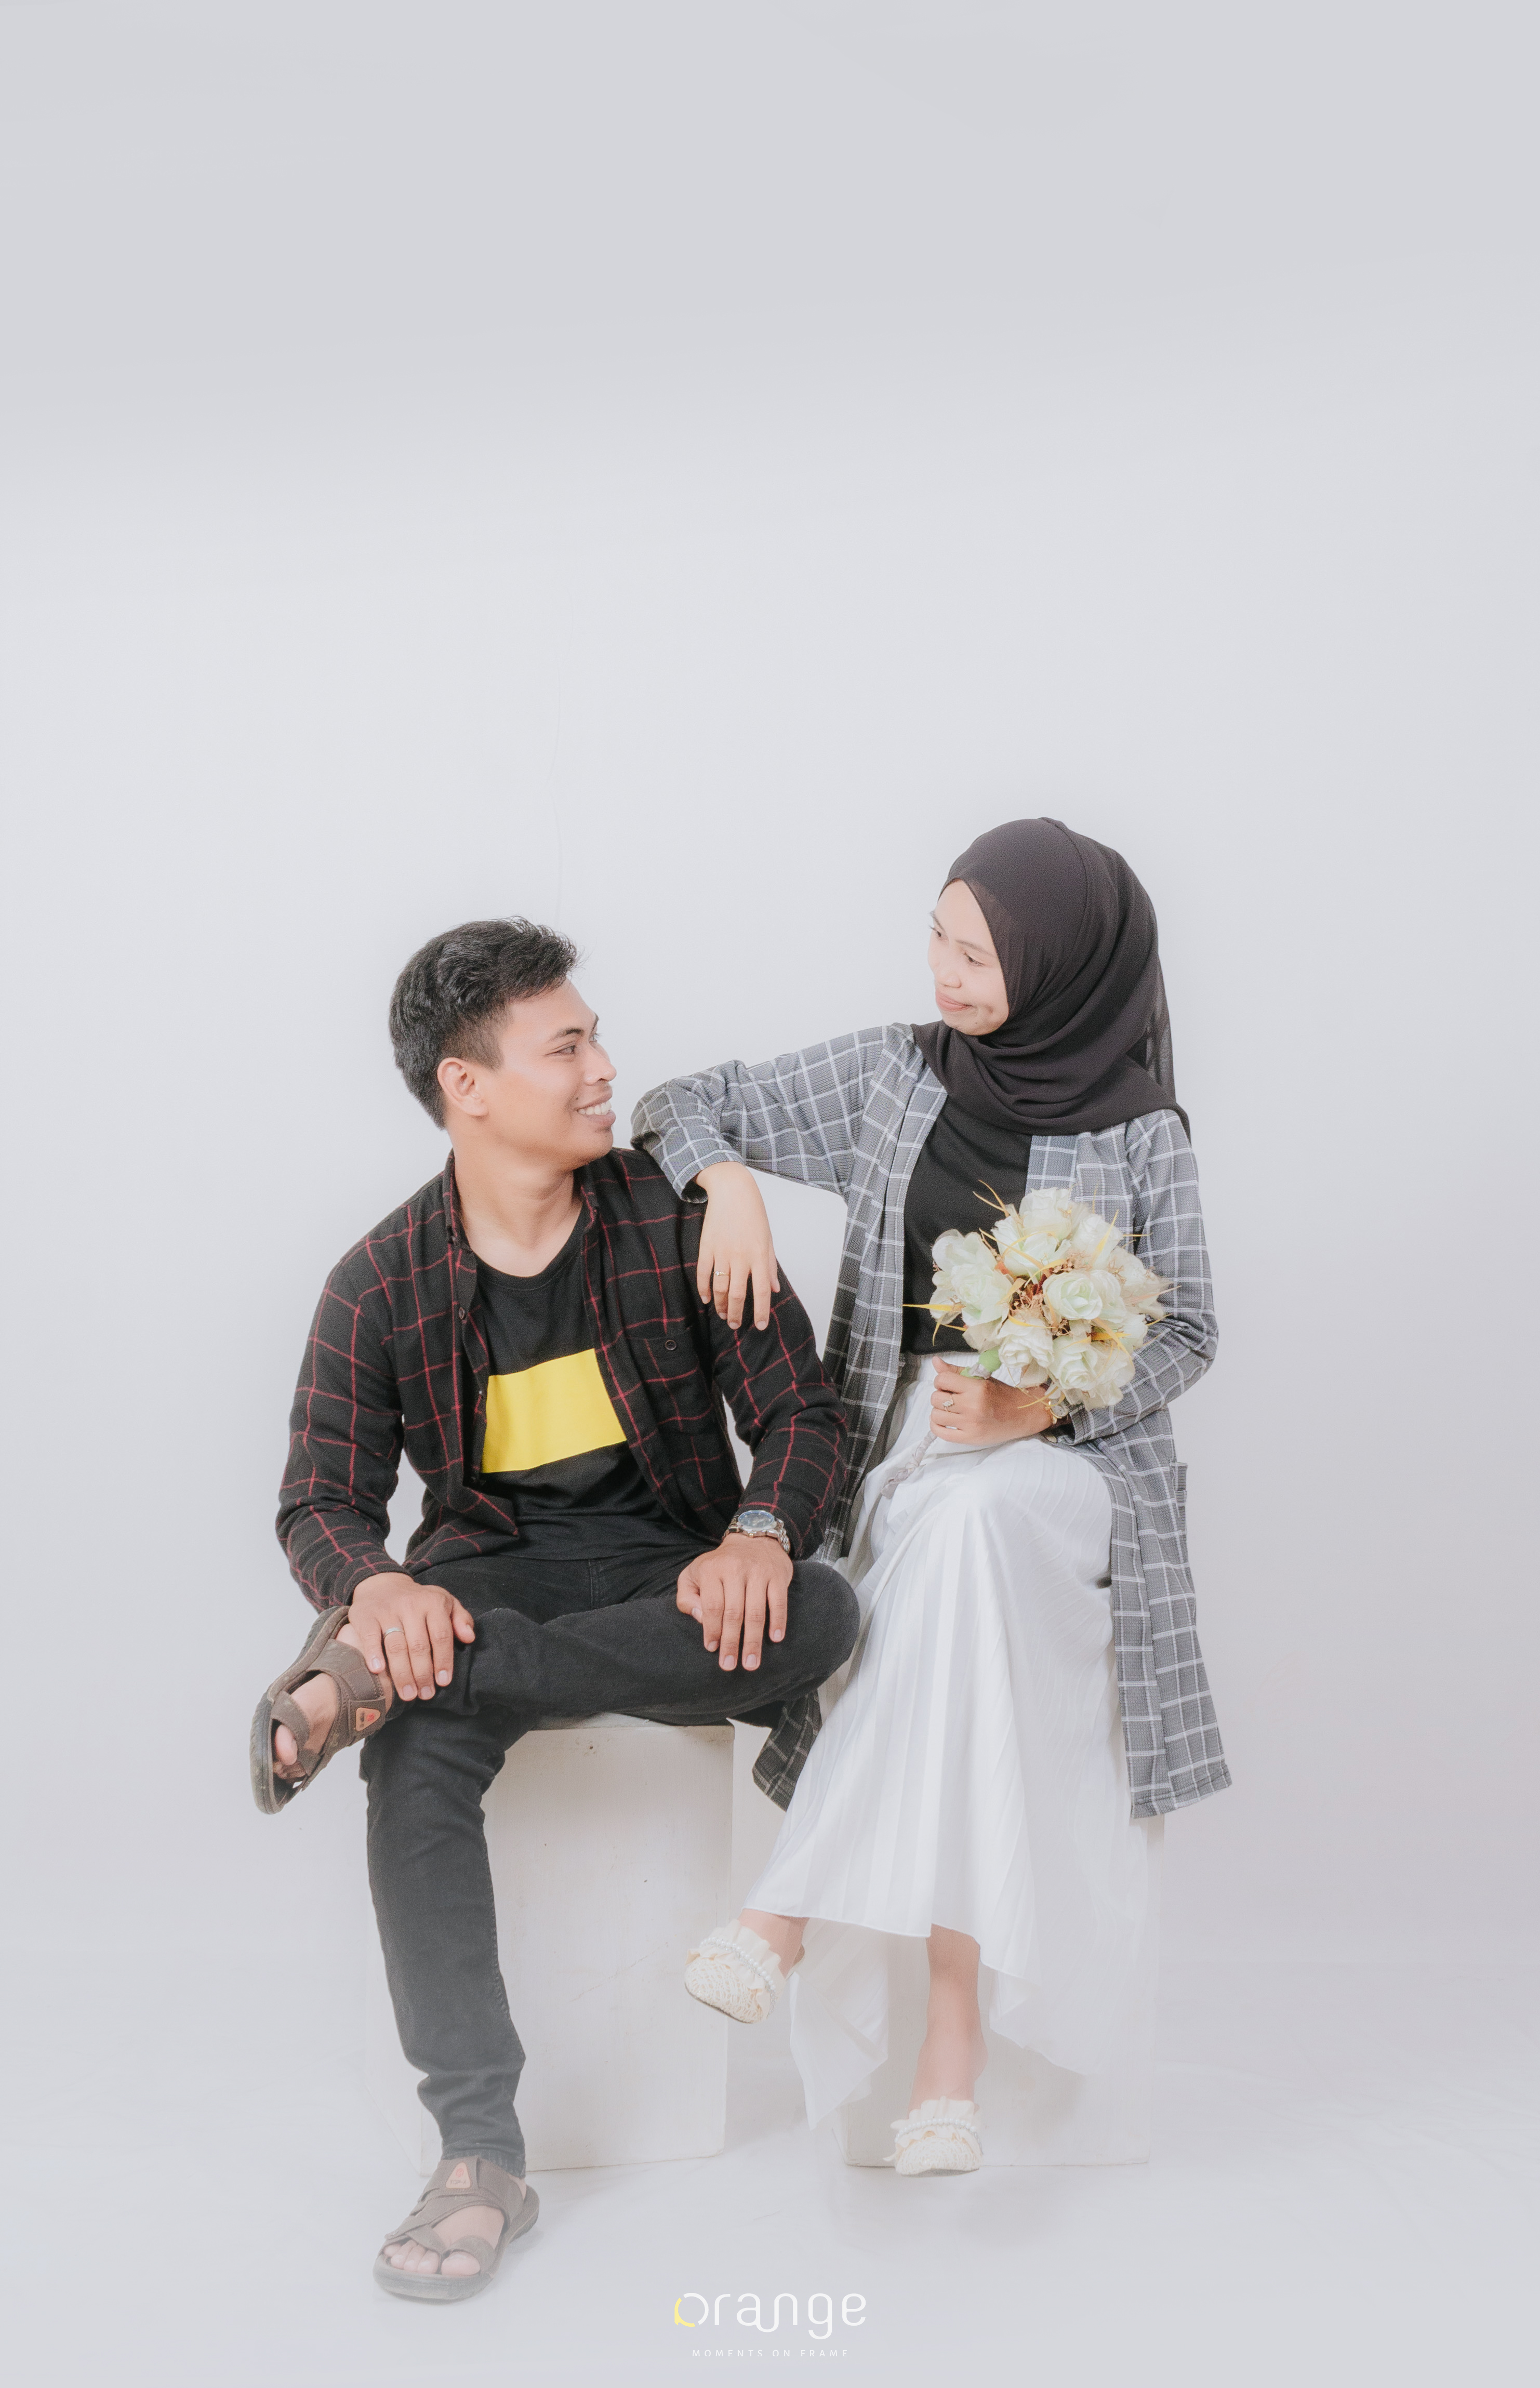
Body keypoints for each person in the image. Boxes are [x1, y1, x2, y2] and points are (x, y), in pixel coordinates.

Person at [251, 918, 857, 2298]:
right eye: (565, 1047)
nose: (603, 1070)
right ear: (468, 1086)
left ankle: (409, 1673)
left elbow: (802, 1414)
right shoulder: (379, 1282)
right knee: (414, 1757)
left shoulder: (680, 1218)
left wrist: (760, 1532)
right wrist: (379, 1586)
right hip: (487, 1575)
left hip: (673, 1575)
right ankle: (478, 2154)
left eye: (595, 1038)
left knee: (819, 1613)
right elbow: (318, 1500)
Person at [633, 817, 1228, 2176]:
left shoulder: (1141, 1130)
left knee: (972, 1519)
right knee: (952, 1568)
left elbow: (1191, 1328)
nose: (944, 974)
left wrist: (1044, 1405)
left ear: (1061, 964)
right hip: (906, 1447)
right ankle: (947, 2051)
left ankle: (782, 1917)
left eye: (977, 954)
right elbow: (677, 1098)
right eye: (937, 938)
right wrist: (725, 1180)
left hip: (1075, 1475)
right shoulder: (894, 1076)